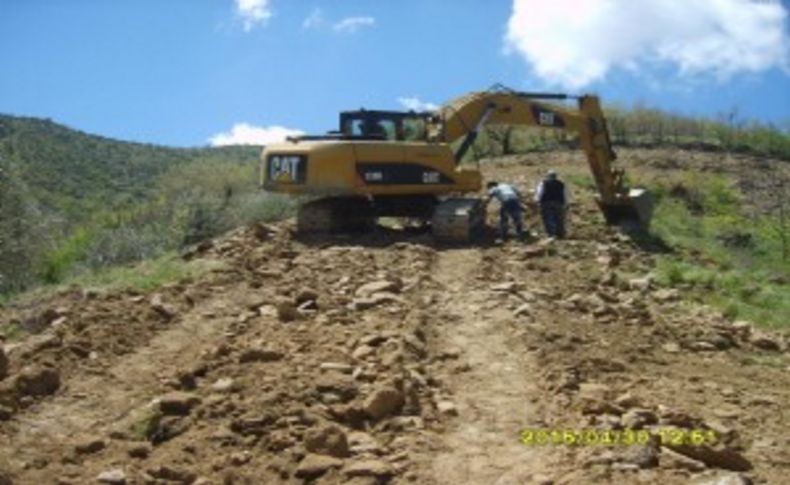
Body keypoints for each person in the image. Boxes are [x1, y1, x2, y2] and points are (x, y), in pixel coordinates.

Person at [535, 170, 570, 238]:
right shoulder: (561, 184)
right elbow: (566, 194)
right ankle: (560, 234)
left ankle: (551, 234)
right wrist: (567, 203)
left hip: (546, 203)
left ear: (548, 176)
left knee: (548, 218)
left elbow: (540, 193)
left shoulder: (543, 183)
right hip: (559, 203)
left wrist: (537, 201)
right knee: (560, 219)